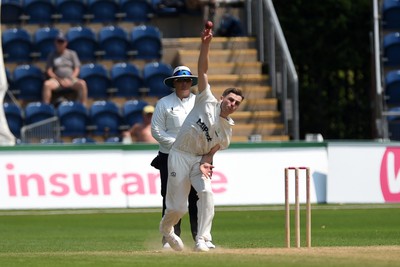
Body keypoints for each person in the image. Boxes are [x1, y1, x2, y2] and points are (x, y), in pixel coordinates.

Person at [159, 23, 244, 252]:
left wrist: (207, 160)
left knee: (207, 192)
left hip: (198, 161)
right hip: (179, 155)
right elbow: (203, 69)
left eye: (236, 103)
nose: (232, 104)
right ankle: (166, 230)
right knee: (178, 208)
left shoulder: (227, 130)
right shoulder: (206, 99)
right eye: (230, 99)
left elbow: (215, 147)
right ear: (223, 97)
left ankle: (202, 239)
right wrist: (205, 43)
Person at [151, 65, 208, 249]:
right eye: (180, 80)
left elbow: (206, 128)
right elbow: (157, 130)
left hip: (194, 156)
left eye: (187, 80)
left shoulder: (199, 103)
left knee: (197, 197)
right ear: (174, 82)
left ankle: (201, 238)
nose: (184, 83)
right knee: (172, 198)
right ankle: (169, 237)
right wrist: (177, 145)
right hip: (169, 156)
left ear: (191, 82)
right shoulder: (164, 103)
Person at [42, 32, 88, 107]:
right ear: (55, 43)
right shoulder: (52, 55)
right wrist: (59, 80)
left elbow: (77, 69)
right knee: (47, 84)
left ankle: (83, 107)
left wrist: (70, 79)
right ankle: (46, 107)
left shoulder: (72, 54)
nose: (60, 44)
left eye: (62, 41)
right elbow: (49, 71)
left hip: (71, 79)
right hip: (57, 81)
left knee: (82, 84)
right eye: (58, 41)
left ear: (66, 43)